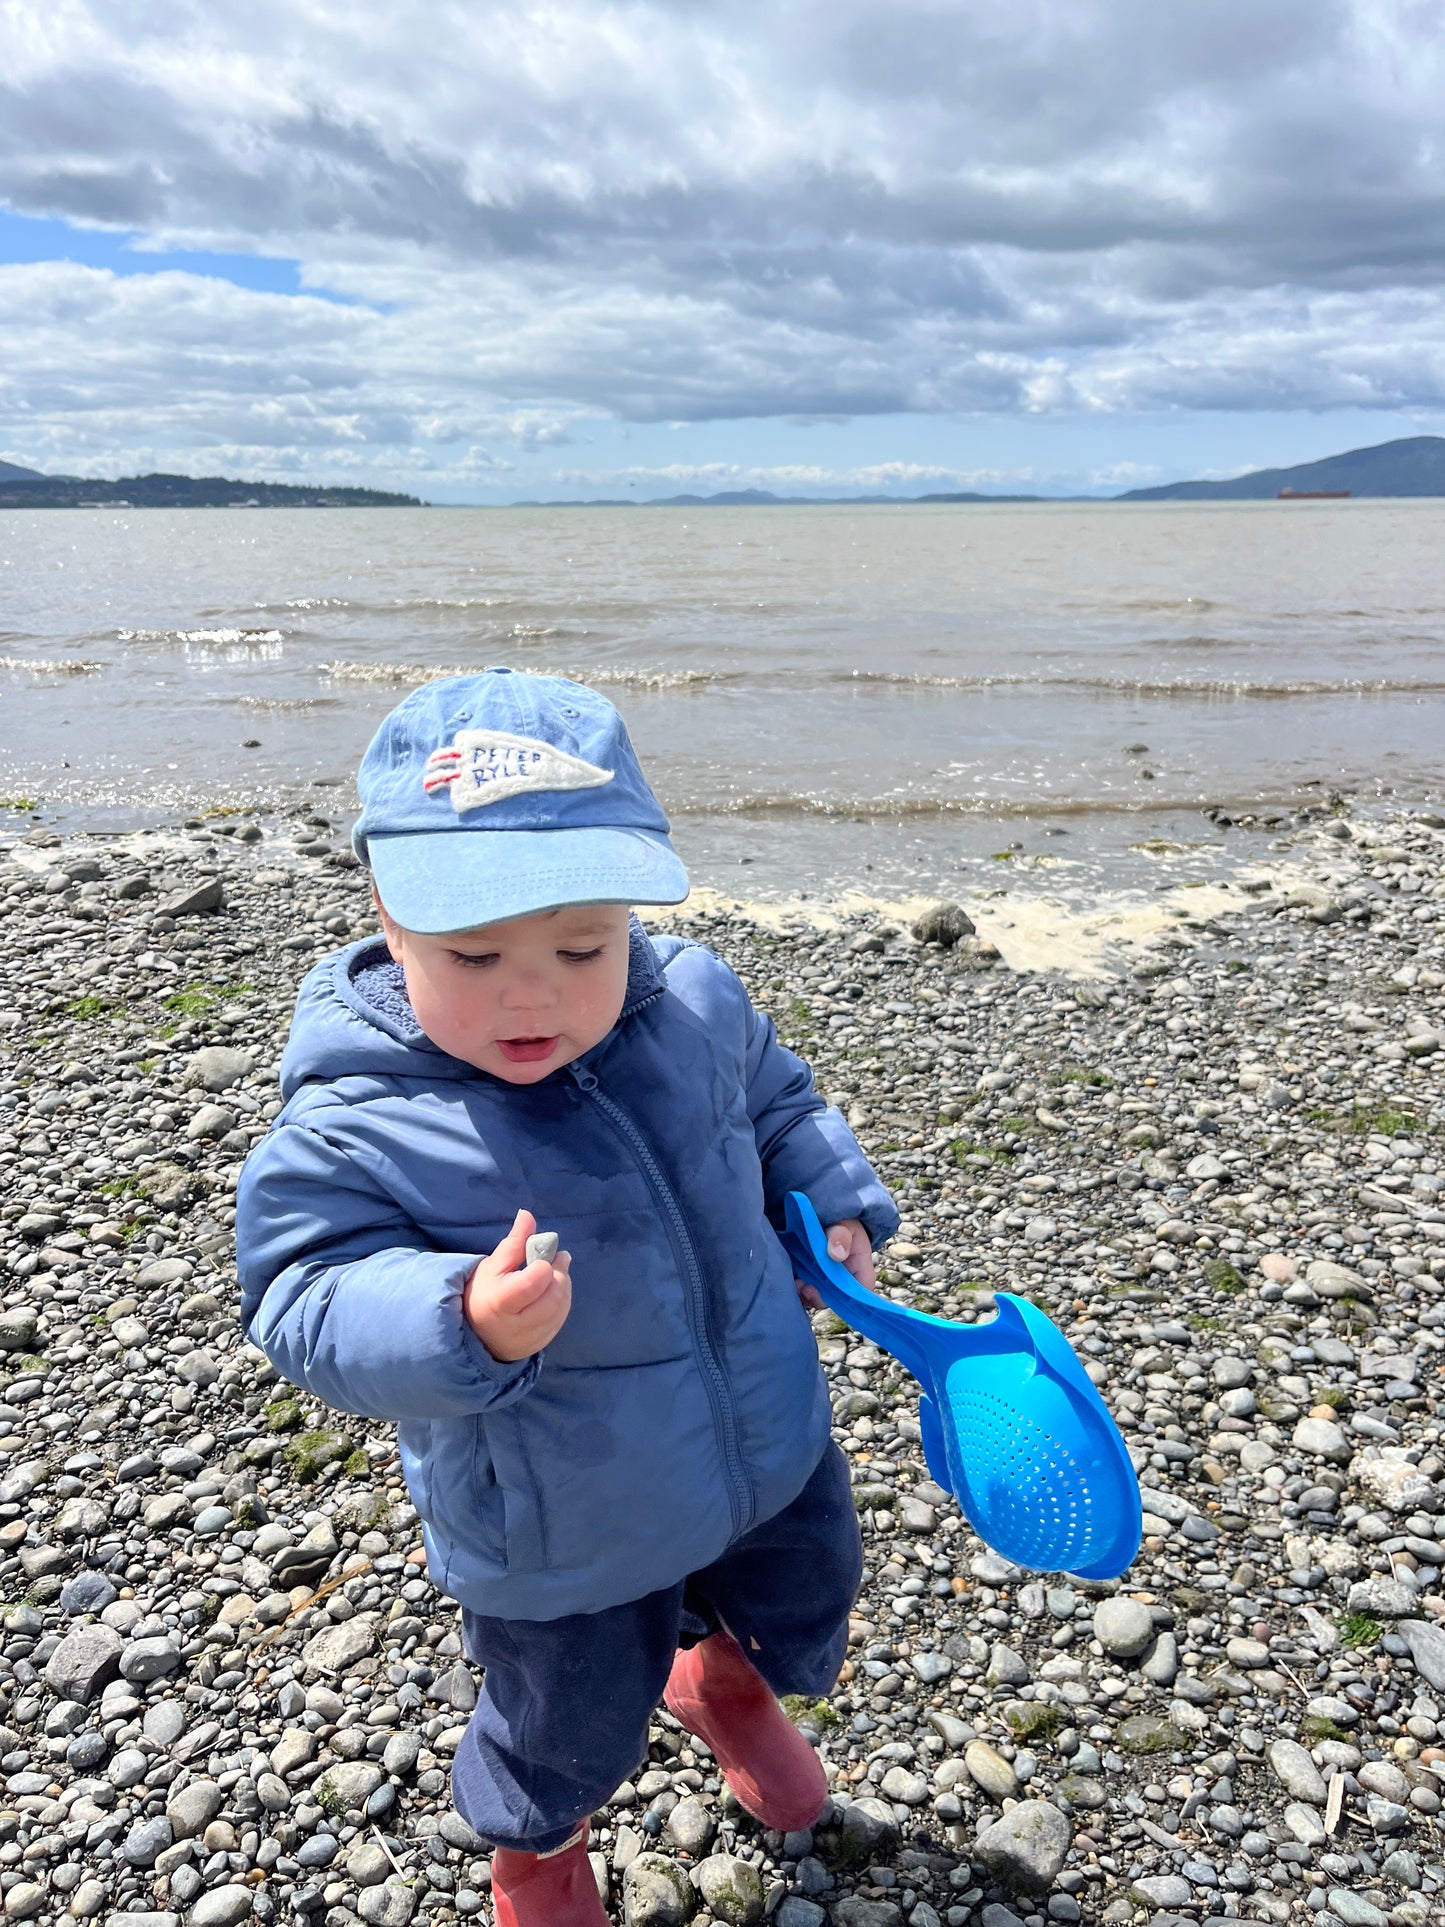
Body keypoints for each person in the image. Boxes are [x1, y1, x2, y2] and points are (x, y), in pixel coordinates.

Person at [236, 668, 898, 1926]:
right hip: (561, 1521)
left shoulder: (692, 1002)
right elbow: (300, 1289)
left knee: (790, 1593)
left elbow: (778, 1102)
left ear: (630, 913)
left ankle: (725, 1687)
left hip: (761, 1433)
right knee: (566, 1711)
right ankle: (535, 1849)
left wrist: (831, 1202)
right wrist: (457, 1316)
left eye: (581, 945)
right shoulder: (364, 1114)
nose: (528, 991)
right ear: (385, 916)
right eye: (472, 953)